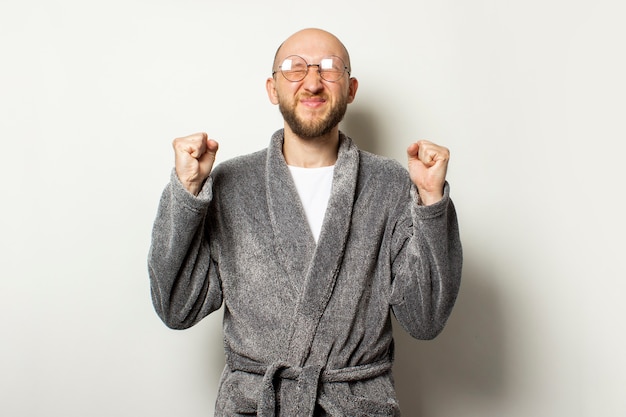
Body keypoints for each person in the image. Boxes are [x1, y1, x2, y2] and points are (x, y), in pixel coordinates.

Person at [148, 27, 462, 417]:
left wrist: (431, 202)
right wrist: (187, 192)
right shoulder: (230, 185)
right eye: (294, 68)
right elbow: (177, 307)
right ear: (272, 88)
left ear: (350, 89)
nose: (312, 82)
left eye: (329, 69)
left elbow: (425, 318)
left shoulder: (390, 184)